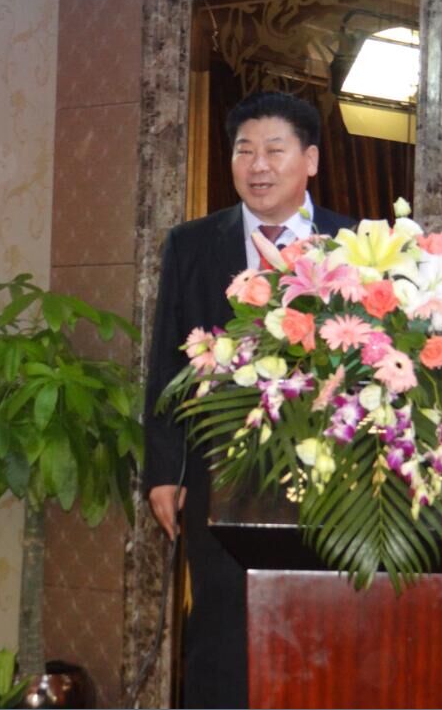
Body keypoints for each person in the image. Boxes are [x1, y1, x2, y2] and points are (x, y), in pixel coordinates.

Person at [143, 91, 355, 708]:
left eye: (274, 150)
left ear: (310, 160)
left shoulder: (356, 243)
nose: (257, 165)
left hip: (333, 482)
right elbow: (168, 363)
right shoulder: (192, 244)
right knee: (221, 635)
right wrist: (164, 471)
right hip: (221, 477)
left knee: (325, 635)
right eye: (244, 151)